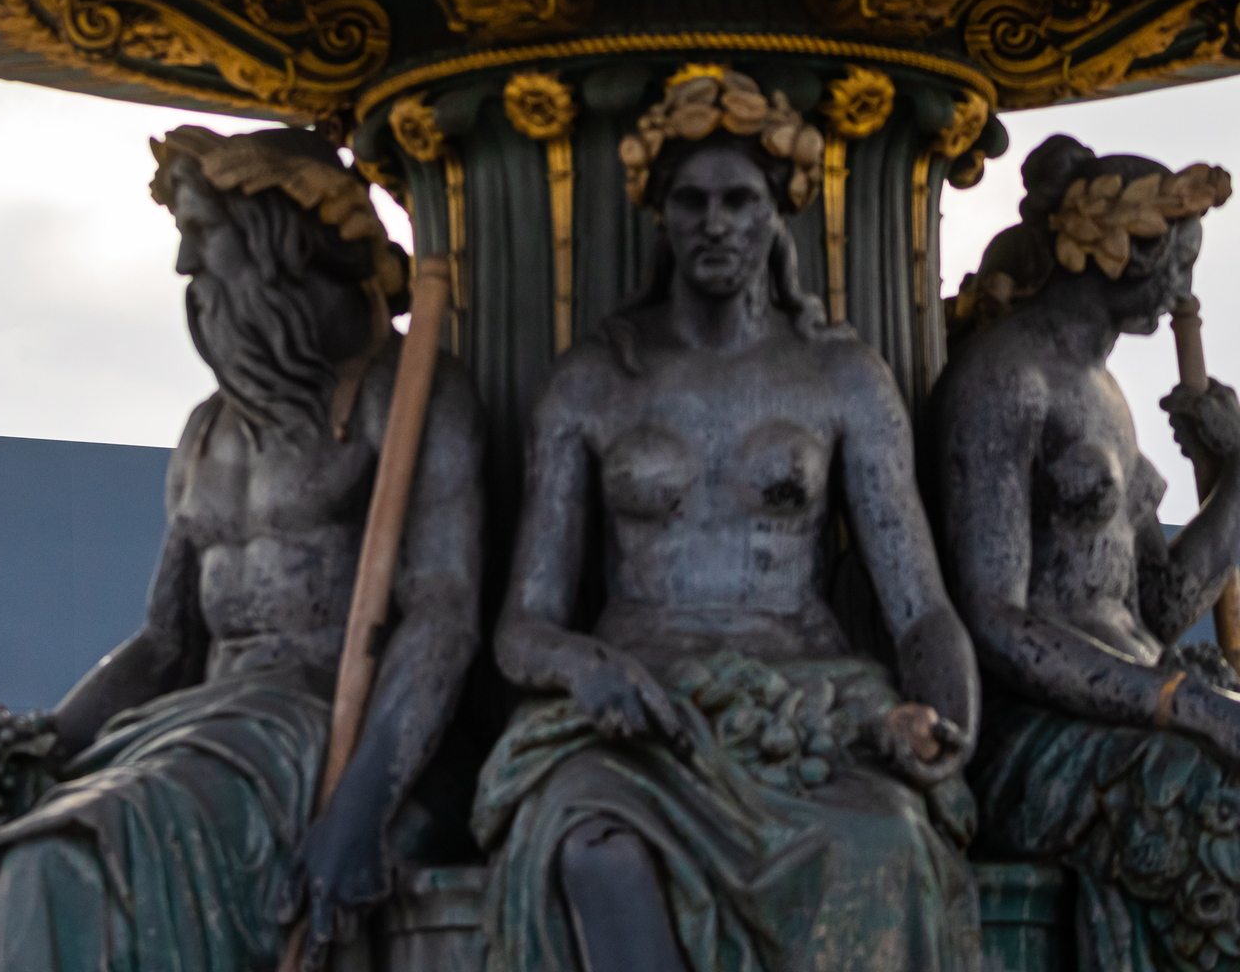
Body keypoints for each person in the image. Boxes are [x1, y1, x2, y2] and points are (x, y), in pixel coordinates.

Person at [0, 125, 484, 972]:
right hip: (202, 729)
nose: (186, 265)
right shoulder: (206, 432)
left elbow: (442, 615)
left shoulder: (399, 398)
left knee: (63, 858)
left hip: (316, 732)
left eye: (203, 232)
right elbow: (166, 643)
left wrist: (361, 808)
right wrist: (41, 745)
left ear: (282, 245)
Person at [476, 68, 982, 972]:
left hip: (810, 705)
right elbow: (524, 623)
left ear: (779, 210)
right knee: (592, 848)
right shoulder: (591, 382)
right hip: (642, 710)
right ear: (661, 215)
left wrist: (946, 726)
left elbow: (919, 609)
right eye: (692, 201)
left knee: (891, 842)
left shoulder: (842, 380)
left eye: (740, 200)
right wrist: (585, 668)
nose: (715, 223)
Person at [932, 135, 1240, 972]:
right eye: (1177, 259)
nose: (1182, 286)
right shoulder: (1007, 379)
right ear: (1114, 246)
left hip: (1132, 708)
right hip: (1036, 737)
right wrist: (1183, 706)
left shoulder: (1106, 395)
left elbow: (1160, 607)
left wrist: (1236, 481)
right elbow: (996, 620)